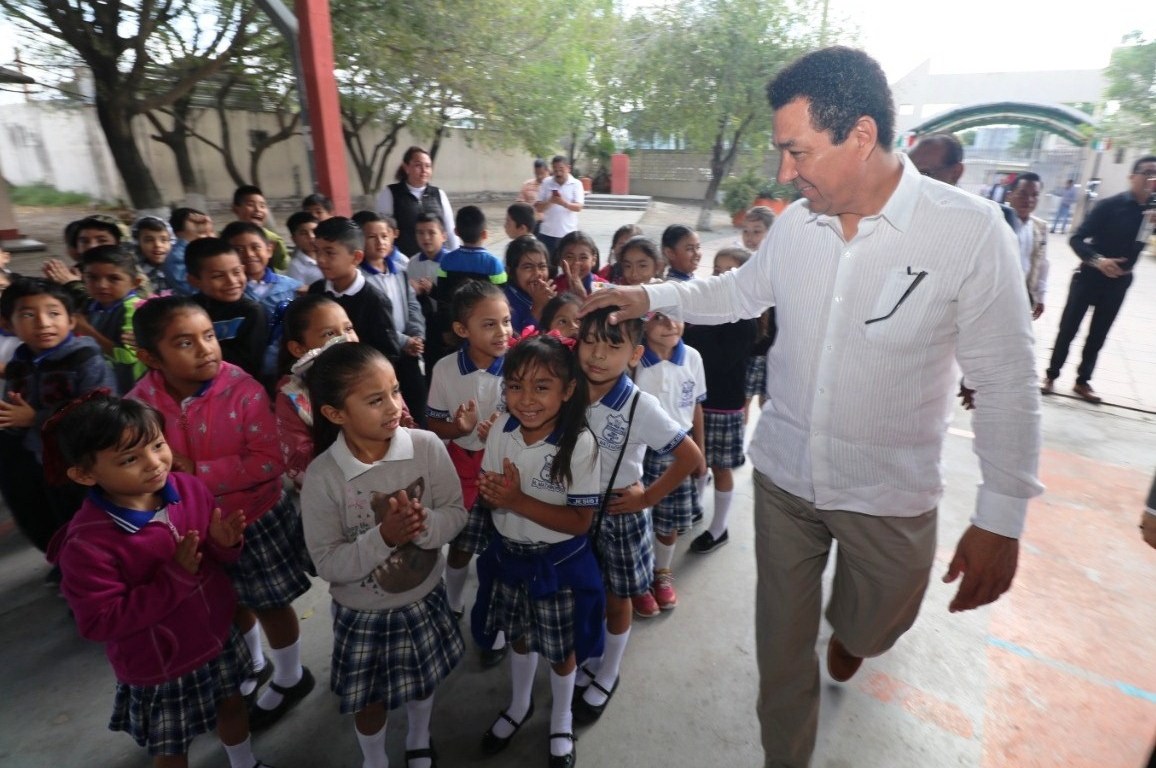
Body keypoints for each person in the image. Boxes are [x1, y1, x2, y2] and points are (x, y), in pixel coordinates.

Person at [582, 46, 1043, 767]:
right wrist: (649, 295)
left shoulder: (969, 232)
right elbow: (738, 292)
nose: (784, 171)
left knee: (876, 626)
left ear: (860, 136)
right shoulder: (798, 225)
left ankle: (855, 636)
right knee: (781, 650)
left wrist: (1001, 515)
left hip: (888, 496)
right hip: (786, 481)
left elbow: (1009, 381)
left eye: (796, 152)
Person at [44, 394, 273, 768]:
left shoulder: (187, 489)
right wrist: (175, 578)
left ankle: (244, 763)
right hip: (159, 664)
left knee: (233, 706)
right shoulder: (87, 545)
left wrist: (224, 544)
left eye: (157, 445)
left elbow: (212, 562)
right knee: (171, 747)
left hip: (217, 636)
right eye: (129, 459)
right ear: (85, 475)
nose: (154, 463)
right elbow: (99, 621)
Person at [128, 296, 315, 732]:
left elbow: (270, 459)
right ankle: (252, 663)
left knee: (269, 602)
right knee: (226, 601)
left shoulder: (242, 389)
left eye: (209, 336)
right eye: (185, 343)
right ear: (150, 357)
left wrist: (198, 472)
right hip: (191, 527)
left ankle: (291, 676)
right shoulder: (139, 403)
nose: (206, 349)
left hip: (253, 517)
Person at [302, 342, 467, 768]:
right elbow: (327, 563)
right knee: (369, 700)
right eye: (375, 400)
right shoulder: (323, 476)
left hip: (423, 599)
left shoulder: (427, 446)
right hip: (363, 614)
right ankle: (374, 758)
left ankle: (418, 739)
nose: (394, 406)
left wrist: (424, 524)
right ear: (335, 413)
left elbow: (456, 513)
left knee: (423, 682)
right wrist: (385, 537)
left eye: (395, 391)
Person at [472, 331, 602, 768]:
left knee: (561, 650)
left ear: (567, 391)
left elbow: (580, 522)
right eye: (515, 386)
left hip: (557, 566)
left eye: (541, 387)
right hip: (510, 557)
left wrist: (516, 500)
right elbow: (492, 494)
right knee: (520, 638)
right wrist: (494, 495)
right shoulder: (501, 431)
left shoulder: (580, 443)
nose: (526, 399)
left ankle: (561, 718)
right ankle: (520, 704)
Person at [572, 307, 699, 724]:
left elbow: (689, 457)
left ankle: (609, 671)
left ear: (634, 354)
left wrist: (646, 499)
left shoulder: (640, 405)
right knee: (586, 592)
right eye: (589, 341)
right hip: (574, 511)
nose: (597, 354)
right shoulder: (570, 389)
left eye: (613, 346)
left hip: (619, 515)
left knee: (617, 596)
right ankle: (592, 656)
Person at [426, 281, 512, 665]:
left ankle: (497, 620)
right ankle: (453, 601)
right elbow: (434, 423)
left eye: (506, 321)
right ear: (463, 330)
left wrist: (504, 428)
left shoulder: (519, 365)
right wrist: (458, 428)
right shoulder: (446, 369)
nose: (502, 332)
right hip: (461, 466)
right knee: (461, 544)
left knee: (503, 548)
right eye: (489, 324)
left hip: (507, 468)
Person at [0, 277, 113, 552]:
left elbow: (99, 409)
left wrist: (35, 419)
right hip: (42, 461)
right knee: (55, 520)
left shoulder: (85, 358)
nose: (43, 323)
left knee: (95, 521)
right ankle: (69, 561)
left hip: (85, 461)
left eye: (53, 313)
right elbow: (12, 412)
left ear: (71, 320)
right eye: (28, 315)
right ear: (8, 325)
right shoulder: (19, 364)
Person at [1042, 155, 1156, 404]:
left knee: (1099, 334)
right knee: (1068, 329)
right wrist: (1098, 260)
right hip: (1089, 277)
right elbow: (1076, 238)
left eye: (1155, 174)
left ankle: (1083, 382)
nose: (1152, 178)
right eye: (1147, 172)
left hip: (1119, 282)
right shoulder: (1109, 206)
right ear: (1132, 177)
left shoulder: (1152, 212)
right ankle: (1051, 376)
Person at [683, 248, 758, 554]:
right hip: (696, 401)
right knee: (695, 459)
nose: (720, 277)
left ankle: (719, 528)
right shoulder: (705, 308)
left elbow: (717, 360)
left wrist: (693, 331)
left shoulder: (745, 318)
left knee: (720, 466)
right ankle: (695, 506)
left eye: (730, 272)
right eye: (716, 270)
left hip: (723, 405)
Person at [634, 309, 707, 608]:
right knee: (638, 519)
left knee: (668, 521)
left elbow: (696, 407)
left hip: (680, 452)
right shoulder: (634, 360)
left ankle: (661, 572)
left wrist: (700, 453)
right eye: (659, 318)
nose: (670, 324)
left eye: (676, 315)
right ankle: (638, 580)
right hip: (639, 452)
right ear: (643, 324)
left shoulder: (692, 357)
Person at [306, 216, 404, 384]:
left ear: (356, 257)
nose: (320, 259)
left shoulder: (375, 301)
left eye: (329, 252)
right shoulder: (316, 292)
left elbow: (388, 354)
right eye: (317, 251)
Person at [275, 295, 360, 487]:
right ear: (298, 348)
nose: (346, 339)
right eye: (329, 334)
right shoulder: (292, 396)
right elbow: (299, 464)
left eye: (348, 329)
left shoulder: (374, 372)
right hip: (331, 492)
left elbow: (401, 418)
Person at [358, 212, 428, 425]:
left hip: (409, 352)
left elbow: (413, 306)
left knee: (417, 403)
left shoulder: (400, 272)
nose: (380, 242)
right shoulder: (360, 280)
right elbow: (374, 323)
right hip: (381, 355)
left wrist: (416, 336)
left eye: (384, 236)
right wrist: (404, 341)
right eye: (372, 237)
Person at [184, 237, 269, 381]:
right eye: (218, 276)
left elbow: (250, 364)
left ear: (243, 270)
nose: (232, 281)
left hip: (237, 385)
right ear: (194, 281)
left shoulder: (251, 312)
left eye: (236, 272)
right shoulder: (185, 312)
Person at [77, 245, 148, 393]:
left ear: (135, 283)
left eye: (114, 278)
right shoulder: (90, 304)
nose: (101, 285)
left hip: (130, 389)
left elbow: (128, 357)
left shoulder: (135, 309)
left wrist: (87, 332)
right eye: (92, 277)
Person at [376, 146, 460, 257]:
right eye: (418, 165)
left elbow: (450, 231)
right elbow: (384, 231)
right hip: (404, 261)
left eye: (428, 166)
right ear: (406, 168)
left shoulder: (438, 194)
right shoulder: (390, 193)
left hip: (438, 261)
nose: (424, 170)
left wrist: (455, 257)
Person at [1001, 173, 1050, 319]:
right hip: (994, 295)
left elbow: (1043, 264)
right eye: (1023, 193)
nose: (1029, 200)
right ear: (1009, 195)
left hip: (1023, 296)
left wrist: (1040, 297)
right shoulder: (997, 223)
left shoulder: (1040, 227)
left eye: (1034, 195)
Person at [535, 155, 585, 259]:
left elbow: (578, 207)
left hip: (568, 233)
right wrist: (550, 201)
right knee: (546, 262)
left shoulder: (576, 184)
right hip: (547, 233)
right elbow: (538, 208)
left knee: (566, 263)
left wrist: (563, 203)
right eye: (555, 170)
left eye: (561, 169)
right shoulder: (546, 182)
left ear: (568, 168)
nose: (558, 173)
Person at [503, 235, 554, 334]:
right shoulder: (504, 305)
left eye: (542, 266)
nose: (537, 273)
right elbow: (518, 341)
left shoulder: (547, 294)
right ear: (510, 272)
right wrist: (538, 307)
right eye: (528, 267)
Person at [232, 185, 289, 272]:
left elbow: (283, 264)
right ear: (235, 209)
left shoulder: (273, 238)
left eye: (262, 206)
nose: (258, 210)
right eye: (250, 205)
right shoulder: (230, 236)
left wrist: (277, 250)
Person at [166, 207, 214, 296]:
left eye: (211, 231)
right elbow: (190, 288)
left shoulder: (215, 250)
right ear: (178, 232)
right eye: (196, 224)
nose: (208, 235)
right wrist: (188, 237)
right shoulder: (177, 257)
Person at [553, 231, 607, 298]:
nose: (576, 263)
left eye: (583, 257)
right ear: (560, 260)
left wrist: (582, 297)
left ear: (593, 260)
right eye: (569, 257)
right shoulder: (554, 287)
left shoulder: (602, 286)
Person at [132, 216, 175, 294]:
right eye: (149, 240)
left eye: (163, 240)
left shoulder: (181, 268)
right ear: (138, 244)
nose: (157, 245)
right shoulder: (133, 272)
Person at [285, 211, 323, 286]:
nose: (311, 236)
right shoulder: (296, 267)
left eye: (314, 231)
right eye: (304, 233)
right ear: (294, 239)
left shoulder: (331, 254)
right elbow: (297, 291)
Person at [518, 158, 550, 232]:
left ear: (547, 171)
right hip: (532, 223)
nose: (539, 176)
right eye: (536, 174)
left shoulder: (553, 186)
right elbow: (520, 203)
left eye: (542, 173)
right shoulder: (527, 185)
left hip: (549, 223)